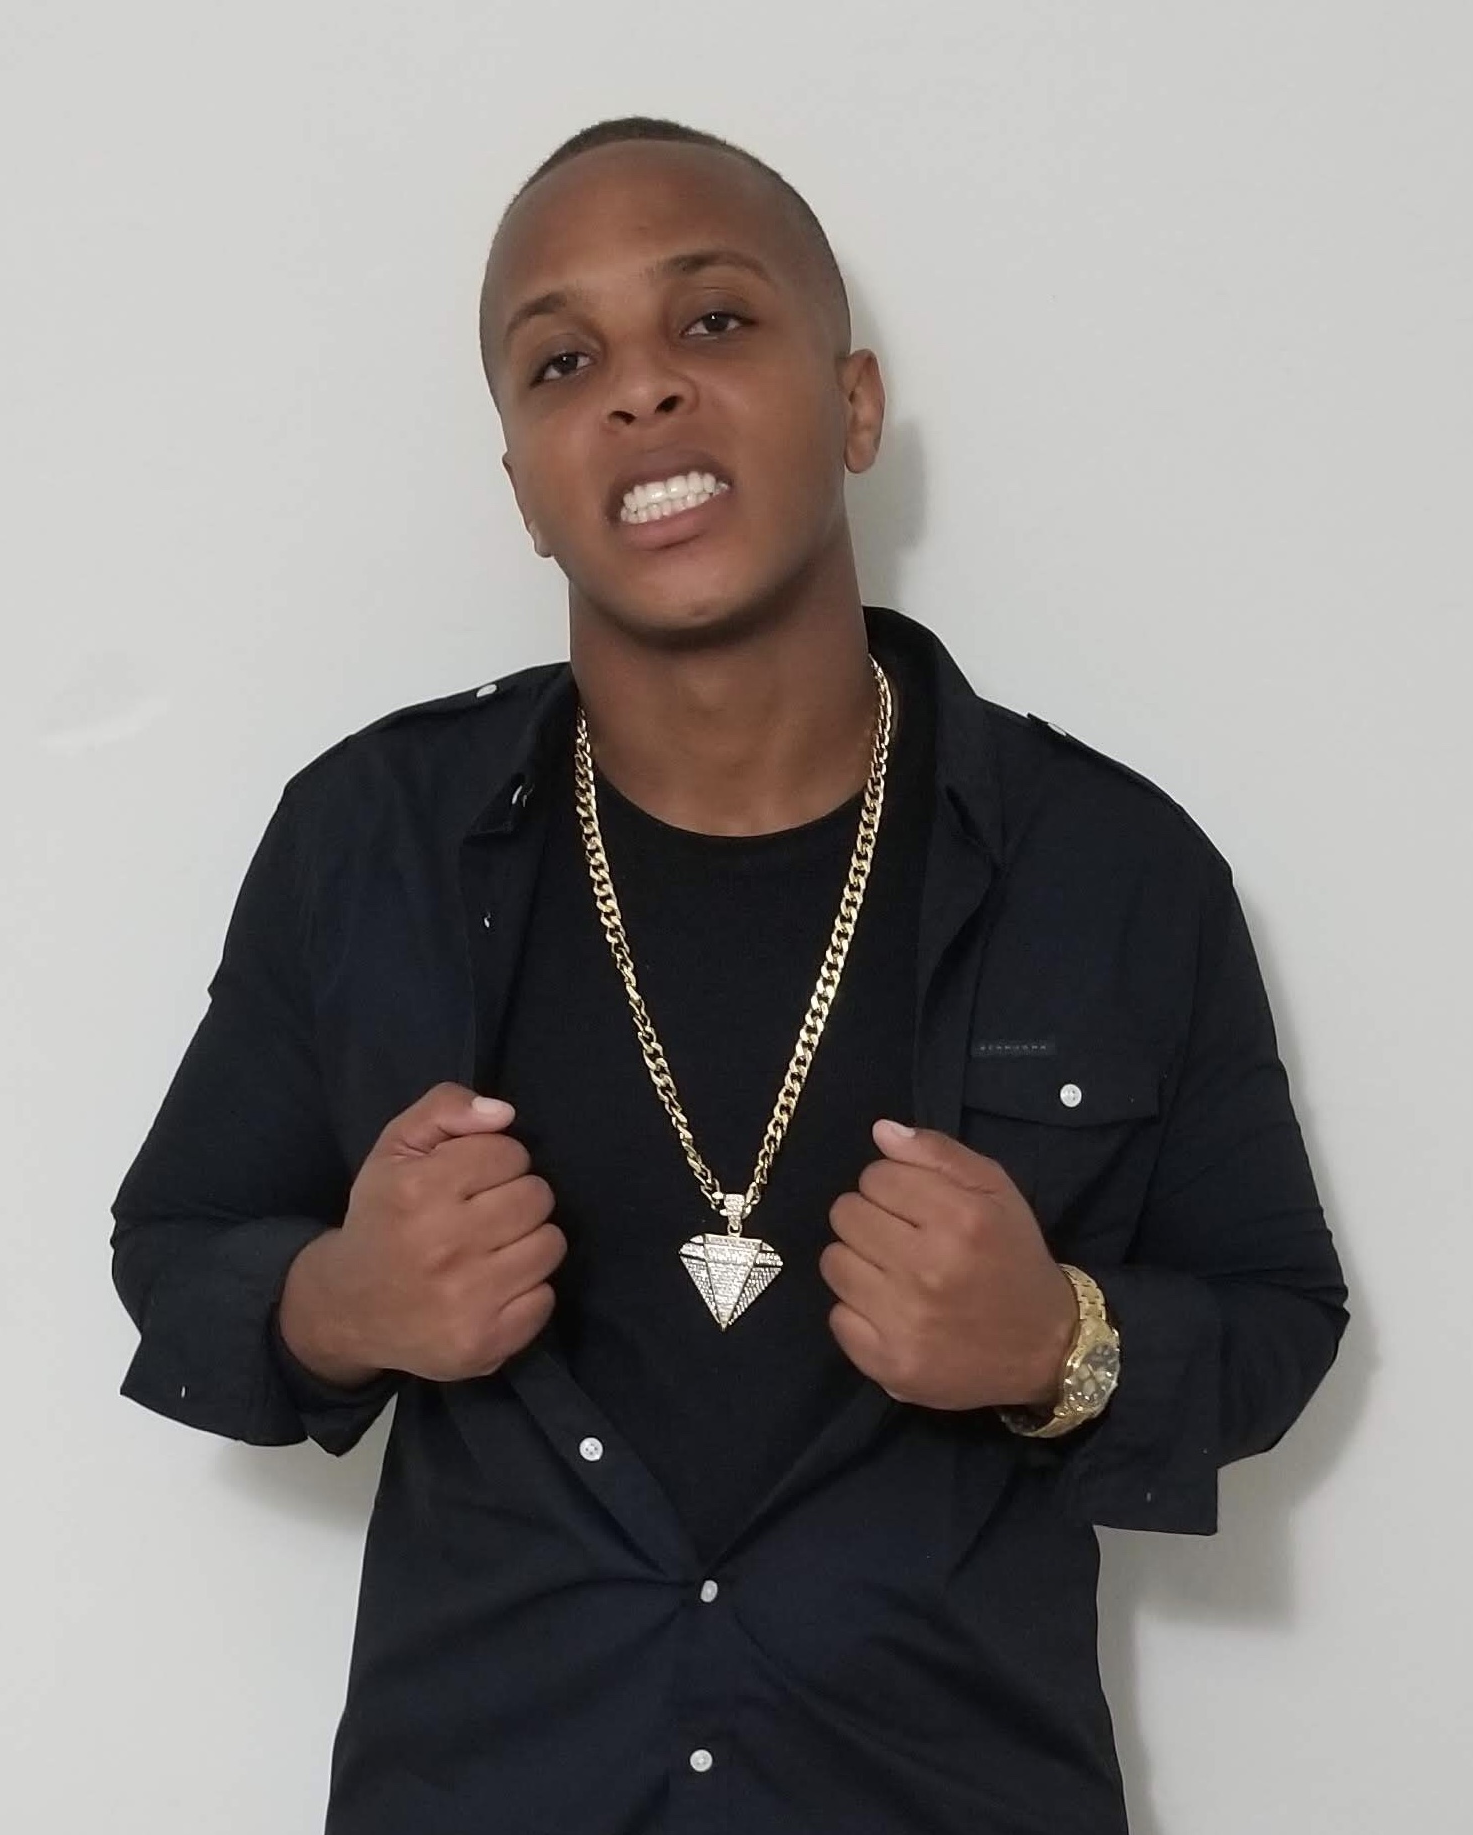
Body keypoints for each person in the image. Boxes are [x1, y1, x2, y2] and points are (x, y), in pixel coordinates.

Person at [109, 116, 1349, 1834]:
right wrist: (343, 1302)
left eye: (713, 320)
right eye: (564, 360)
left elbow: (1280, 1318)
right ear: (524, 488)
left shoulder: (1113, 867)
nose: (643, 390)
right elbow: (173, 1248)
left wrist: (1057, 1338)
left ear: (853, 405)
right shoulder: (369, 840)